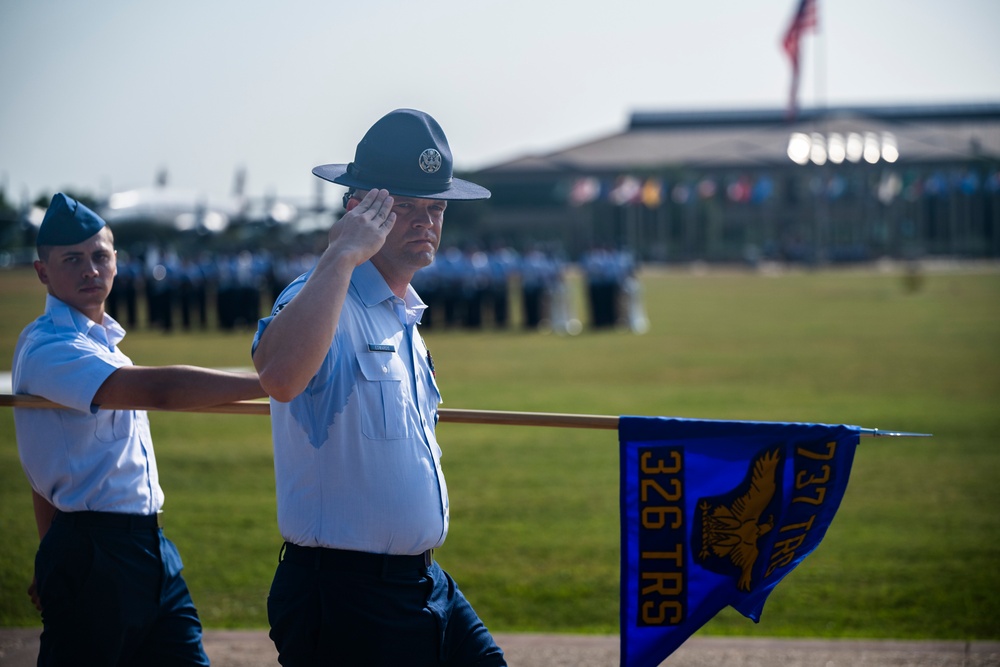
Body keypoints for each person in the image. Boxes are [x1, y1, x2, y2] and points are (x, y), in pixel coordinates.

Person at [252, 109, 507, 666]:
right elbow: (277, 375)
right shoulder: (322, 296)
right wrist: (341, 254)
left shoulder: (401, 314)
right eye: (405, 207)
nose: (426, 221)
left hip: (422, 582)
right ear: (358, 210)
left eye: (435, 207)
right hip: (346, 595)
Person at [12, 193, 267, 666]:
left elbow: (49, 467)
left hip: (149, 547)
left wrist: (50, 552)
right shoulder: (50, 347)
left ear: (115, 261)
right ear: (43, 272)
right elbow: (163, 391)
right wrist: (272, 379)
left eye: (100, 256)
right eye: (73, 259)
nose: (91, 269)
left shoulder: (105, 343)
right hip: (93, 555)